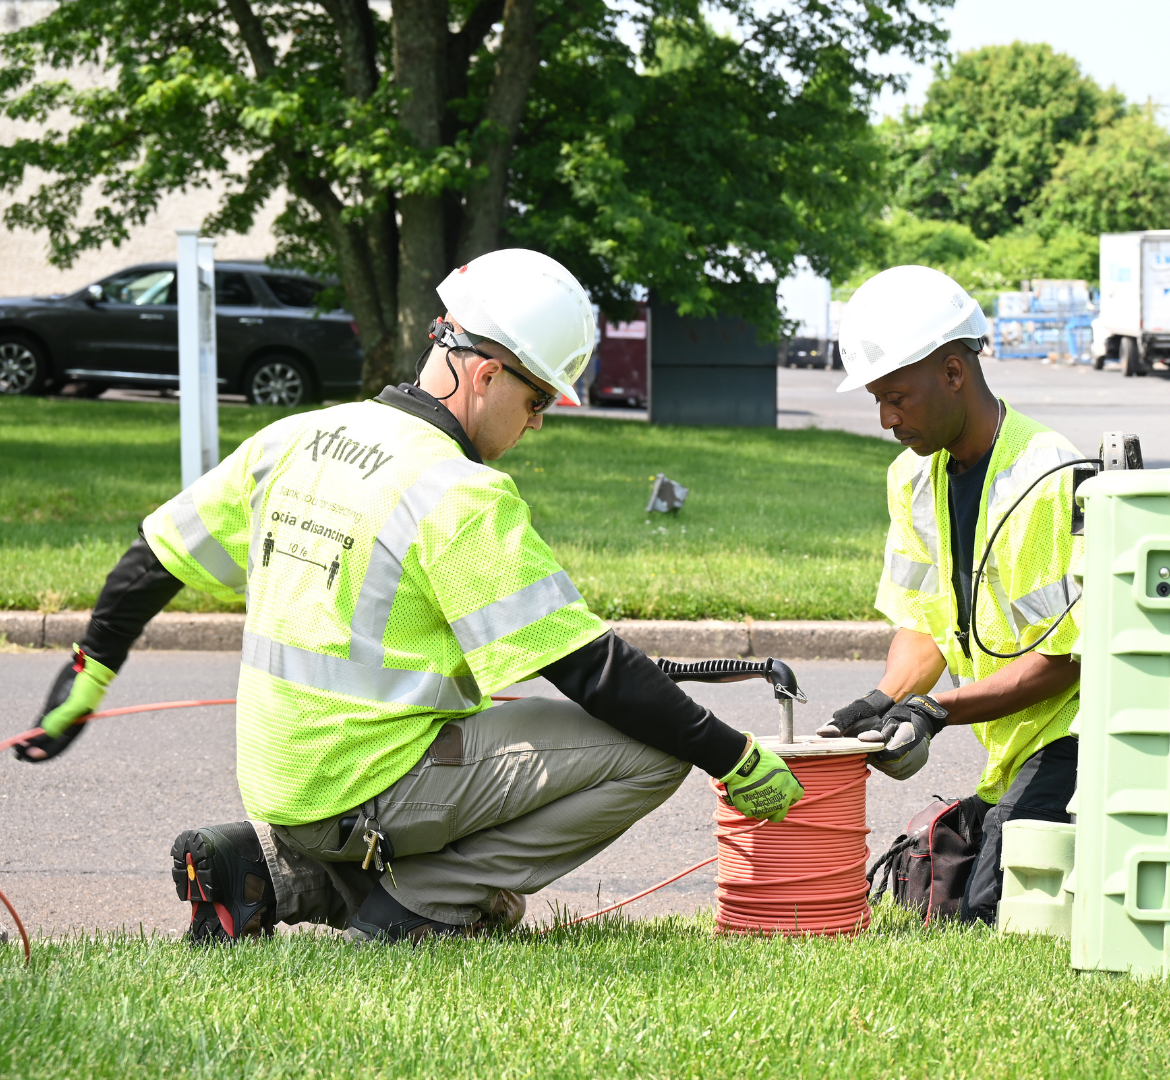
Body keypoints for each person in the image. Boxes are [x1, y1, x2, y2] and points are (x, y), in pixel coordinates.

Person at [13, 249, 804, 943]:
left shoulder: (298, 437)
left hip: (283, 782)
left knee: (496, 840)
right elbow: (588, 670)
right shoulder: (456, 492)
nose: (534, 426)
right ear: (488, 373)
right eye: (536, 403)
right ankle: (416, 908)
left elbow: (151, 556)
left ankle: (268, 870)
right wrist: (731, 755)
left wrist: (86, 676)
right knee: (650, 753)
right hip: (367, 785)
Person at [821, 266, 1170, 925]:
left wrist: (936, 711)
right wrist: (886, 700)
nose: (884, 418)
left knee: (992, 910)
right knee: (971, 875)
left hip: (1089, 731)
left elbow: (1073, 659)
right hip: (1016, 739)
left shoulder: (1049, 477)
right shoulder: (910, 478)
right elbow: (924, 622)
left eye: (897, 396)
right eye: (878, 399)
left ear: (954, 372)